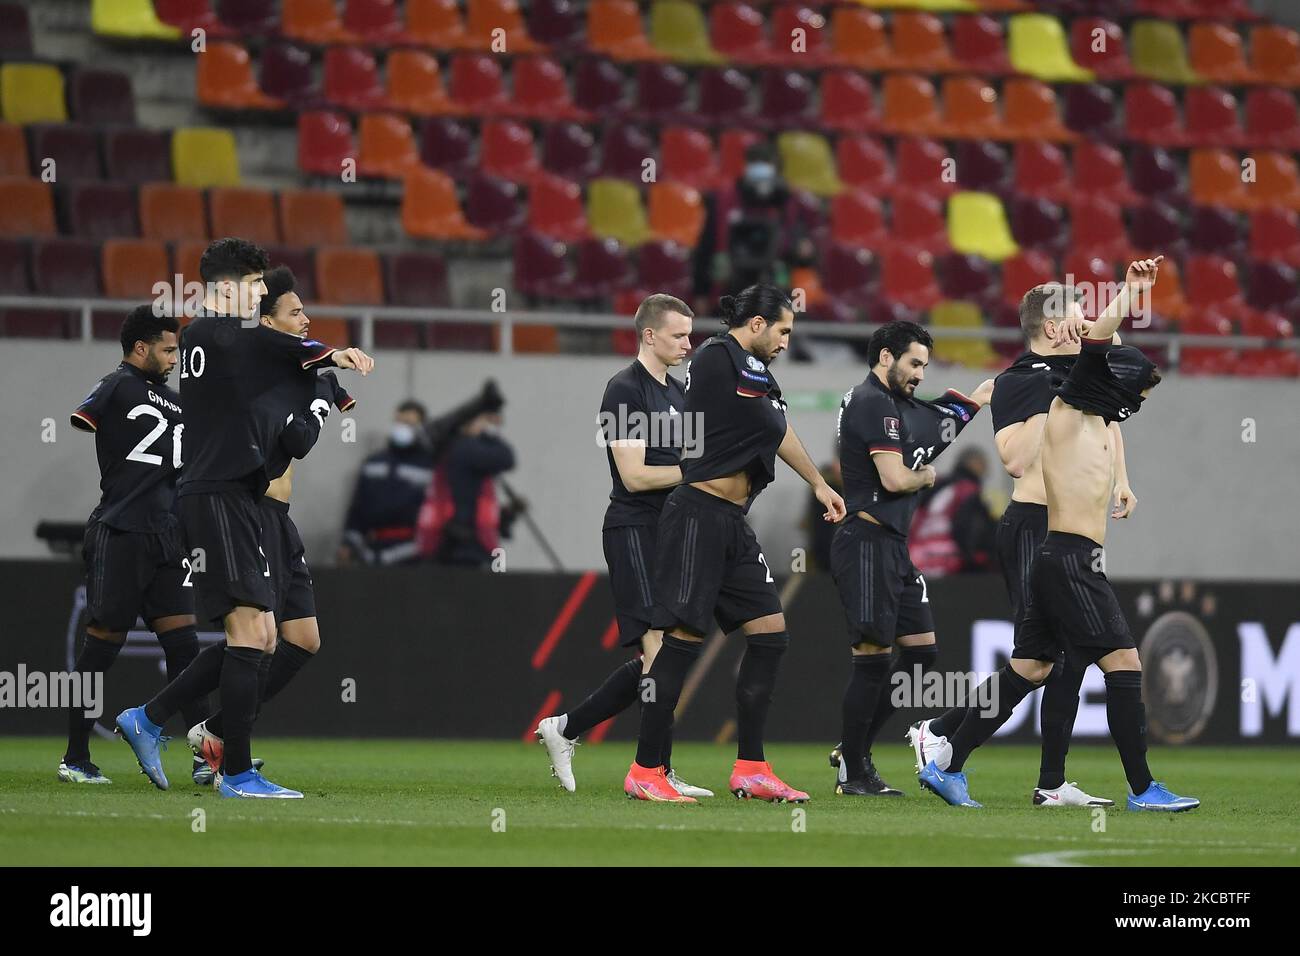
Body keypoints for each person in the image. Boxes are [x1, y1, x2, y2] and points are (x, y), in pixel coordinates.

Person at [915, 257, 1200, 812]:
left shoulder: (1080, 385)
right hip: (1039, 530)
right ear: (1054, 327)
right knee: (1091, 660)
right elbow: (1019, 459)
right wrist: (1068, 383)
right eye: (1078, 315)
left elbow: (1110, 401)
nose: (1089, 323)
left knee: (1037, 663)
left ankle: (950, 752)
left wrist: (1121, 477)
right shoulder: (1027, 384)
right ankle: (1124, 787)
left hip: (1065, 538)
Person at [114, 238, 374, 799]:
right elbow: (288, 356)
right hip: (218, 497)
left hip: (228, 496)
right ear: (229, 286)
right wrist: (333, 359)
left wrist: (319, 366)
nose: (260, 293)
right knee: (251, 634)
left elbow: (279, 357)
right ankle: (233, 771)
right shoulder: (221, 332)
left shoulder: (215, 338)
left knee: (258, 634)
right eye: (256, 284)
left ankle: (152, 720)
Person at [624, 284, 846, 804]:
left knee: (770, 634)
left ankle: (750, 766)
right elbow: (770, 419)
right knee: (680, 643)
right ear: (756, 324)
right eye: (784, 330)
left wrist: (818, 482)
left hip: (732, 521)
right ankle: (645, 769)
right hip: (698, 514)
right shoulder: (719, 356)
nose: (788, 342)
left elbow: (779, 426)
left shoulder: (760, 375)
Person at [534, 294, 709, 798]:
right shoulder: (623, 390)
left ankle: (567, 728)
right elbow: (633, 476)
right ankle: (650, 773)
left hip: (673, 531)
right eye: (679, 335)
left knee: (668, 655)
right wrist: (698, 471)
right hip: (634, 529)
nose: (687, 344)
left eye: (689, 334)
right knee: (657, 650)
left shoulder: (679, 393)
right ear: (649, 335)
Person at [185, 266, 355, 783]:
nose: (305, 321)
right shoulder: (261, 370)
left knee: (295, 637)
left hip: (276, 516)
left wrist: (320, 379)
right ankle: (214, 744)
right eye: (295, 312)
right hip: (249, 508)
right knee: (255, 635)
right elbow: (295, 441)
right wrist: (323, 396)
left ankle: (212, 734)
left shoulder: (284, 365)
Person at [828, 320, 992, 797]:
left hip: (891, 546)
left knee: (921, 652)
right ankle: (853, 770)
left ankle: (851, 745)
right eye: (914, 362)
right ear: (885, 356)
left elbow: (926, 426)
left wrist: (975, 402)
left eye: (925, 364)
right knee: (873, 660)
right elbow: (897, 479)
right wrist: (927, 477)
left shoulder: (892, 405)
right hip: (865, 542)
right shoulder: (873, 403)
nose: (921, 373)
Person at [59, 306, 208, 785]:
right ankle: (76, 758)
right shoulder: (118, 383)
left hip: (168, 536)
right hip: (121, 530)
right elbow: (83, 418)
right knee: (102, 645)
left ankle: (207, 757)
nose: (174, 360)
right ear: (140, 348)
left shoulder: (180, 402)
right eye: (167, 350)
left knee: (186, 648)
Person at [420, 391, 516, 568]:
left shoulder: (456, 450)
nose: (492, 427)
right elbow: (506, 458)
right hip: (463, 547)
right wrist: (486, 430)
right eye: (489, 421)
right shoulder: (466, 448)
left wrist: (502, 518)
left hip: (462, 541)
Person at [339, 401, 433, 567]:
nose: (403, 428)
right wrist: (349, 543)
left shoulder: (428, 467)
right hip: (372, 551)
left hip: (413, 556)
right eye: (400, 422)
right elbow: (358, 508)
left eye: (410, 424)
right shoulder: (373, 464)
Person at [909, 448, 998, 577]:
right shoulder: (967, 489)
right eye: (983, 465)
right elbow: (967, 529)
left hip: (915, 557)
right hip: (946, 560)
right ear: (974, 464)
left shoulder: (935, 485)